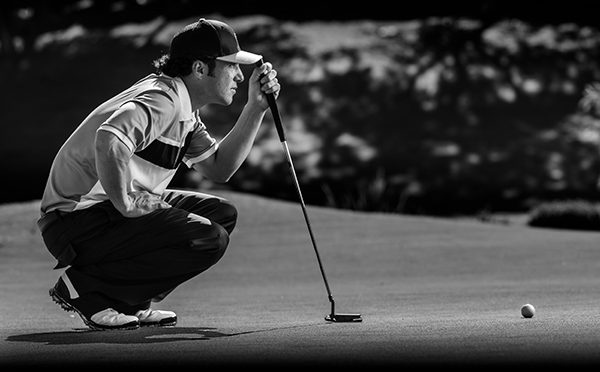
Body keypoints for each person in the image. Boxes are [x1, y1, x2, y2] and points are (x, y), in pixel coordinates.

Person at [37, 18, 280, 330]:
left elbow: (220, 168)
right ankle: (83, 287)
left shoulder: (184, 109)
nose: (239, 75)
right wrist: (126, 203)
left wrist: (255, 108)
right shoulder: (162, 99)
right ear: (200, 69)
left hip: (100, 216)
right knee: (208, 238)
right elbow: (109, 139)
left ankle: (130, 301)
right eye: (231, 66)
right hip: (75, 221)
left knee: (220, 214)